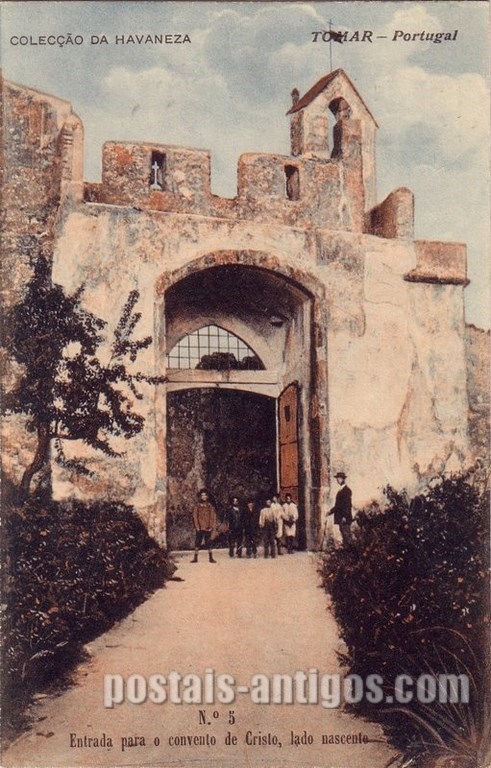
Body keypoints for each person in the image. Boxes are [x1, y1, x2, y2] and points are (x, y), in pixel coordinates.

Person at [191, 488, 217, 563]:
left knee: (208, 542)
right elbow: (195, 516)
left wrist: (211, 526)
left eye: (205, 495)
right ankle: (195, 557)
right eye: (202, 495)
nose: (204, 497)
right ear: (200, 497)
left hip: (208, 527)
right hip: (200, 527)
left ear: (207, 496)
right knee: (197, 542)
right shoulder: (197, 506)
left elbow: (213, 516)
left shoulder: (210, 506)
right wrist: (197, 527)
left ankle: (211, 557)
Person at [328, 472, 353, 545]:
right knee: (344, 535)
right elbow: (338, 505)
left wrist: (345, 516)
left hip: (344, 517)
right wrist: (330, 512)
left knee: (347, 535)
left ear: (342, 479)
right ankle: (347, 552)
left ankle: (350, 553)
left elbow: (347, 505)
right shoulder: (341, 490)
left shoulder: (346, 490)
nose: (337, 480)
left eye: (338, 478)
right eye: (337, 478)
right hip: (341, 517)